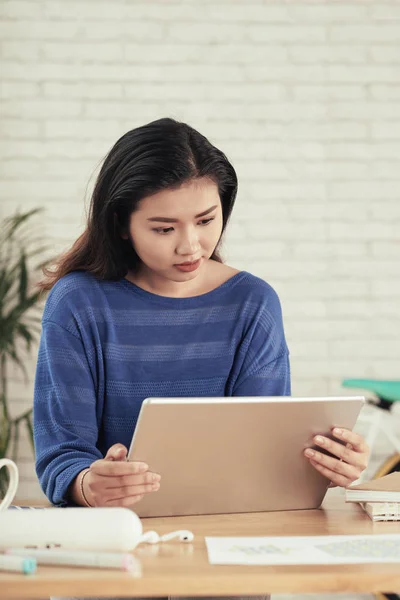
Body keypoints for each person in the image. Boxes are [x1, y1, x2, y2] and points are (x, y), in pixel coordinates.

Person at [33, 118, 369, 600]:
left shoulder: (252, 302)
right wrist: (89, 484)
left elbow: (264, 455)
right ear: (121, 224)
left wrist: (329, 463)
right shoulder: (78, 303)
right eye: (164, 228)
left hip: (233, 547)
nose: (190, 245)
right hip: (115, 548)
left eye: (206, 220)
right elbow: (61, 455)